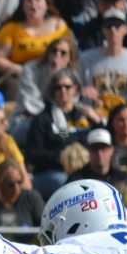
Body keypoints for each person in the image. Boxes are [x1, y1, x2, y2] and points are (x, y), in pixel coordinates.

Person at [24, 67, 98, 199]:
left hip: (87, 169)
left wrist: (97, 120)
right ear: (53, 91)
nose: (63, 91)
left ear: (75, 88)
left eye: (67, 86)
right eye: (58, 87)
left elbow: (102, 139)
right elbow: (32, 153)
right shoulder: (43, 119)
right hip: (53, 172)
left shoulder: (86, 115)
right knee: (68, 183)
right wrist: (60, 156)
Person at [0, 0, 71, 81]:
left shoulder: (59, 26)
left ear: (47, 5)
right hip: (19, 75)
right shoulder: (11, 29)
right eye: (29, 1)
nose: (33, 4)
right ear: (22, 6)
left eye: (38, 0)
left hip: (54, 73)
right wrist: (18, 69)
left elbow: (71, 53)